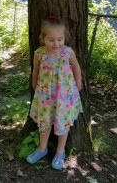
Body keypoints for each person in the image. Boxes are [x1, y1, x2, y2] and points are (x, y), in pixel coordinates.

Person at [26, 15, 83, 170]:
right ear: (43, 38)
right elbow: (35, 71)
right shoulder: (39, 54)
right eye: (51, 39)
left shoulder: (68, 52)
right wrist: (35, 87)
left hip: (64, 96)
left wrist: (78, 85)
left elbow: (76, 67)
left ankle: (60, 152)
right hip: (45, 97)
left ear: (64, 38)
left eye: (60, 39)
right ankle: (42, 149)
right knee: (44, 124)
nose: (56, 43)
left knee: (63, 123)